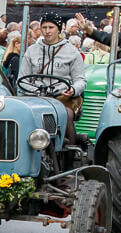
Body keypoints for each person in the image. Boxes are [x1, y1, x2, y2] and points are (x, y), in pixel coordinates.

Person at [19, 13, 85, 144]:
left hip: (61, 97)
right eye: (44, 27)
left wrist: (72, 89)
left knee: (66, 114)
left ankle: (69, 156)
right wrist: (35, 90)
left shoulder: (72, 52)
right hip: (35, 97)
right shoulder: (31, 51)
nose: (47, 31)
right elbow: (22, 79)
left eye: (51, 27)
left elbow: (80, 80)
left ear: (59, 29)